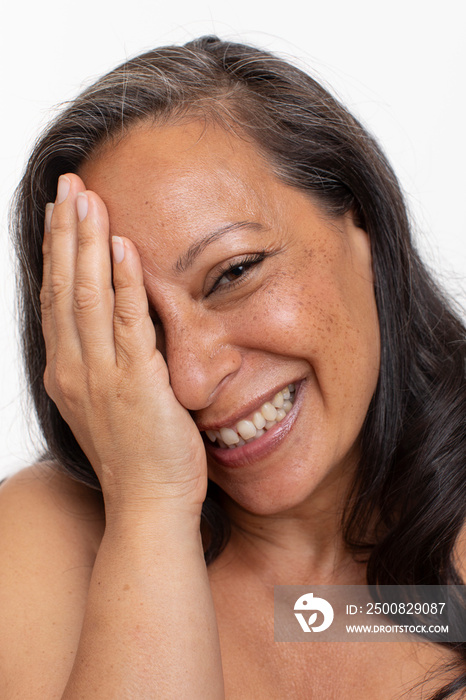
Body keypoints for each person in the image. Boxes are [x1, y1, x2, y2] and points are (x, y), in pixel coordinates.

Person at [0, 35, 465, 699]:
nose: (192, 378)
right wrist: (150, 505)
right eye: (135, 328)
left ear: (361, 224)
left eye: (235, 273)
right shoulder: (43, 544)